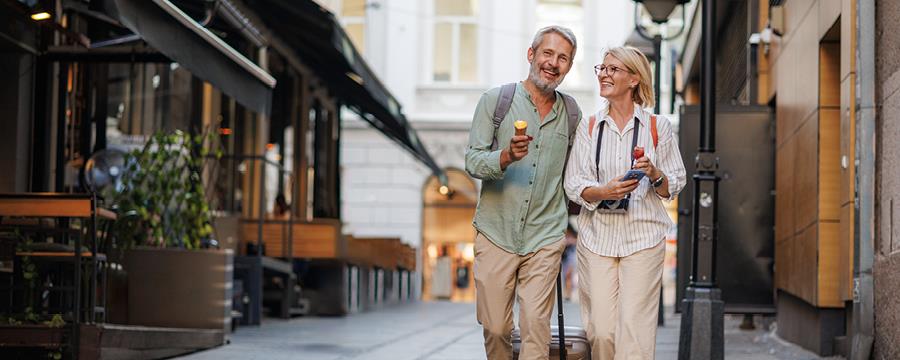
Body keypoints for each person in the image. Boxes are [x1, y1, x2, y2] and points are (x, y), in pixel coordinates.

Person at [465, 25, 580, 360]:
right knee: (497, 327)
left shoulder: (571, 115)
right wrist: (505, 156)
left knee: (535, 326)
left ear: (568, 67)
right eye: (548, 53)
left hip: (545, 235)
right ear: (531, 55)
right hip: (496, 231)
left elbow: (574, 175)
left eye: (563, 58)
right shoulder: (496, 101)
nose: (553, 63)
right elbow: (472, 160)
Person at [564, 46, 687, 359]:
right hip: (597, 239)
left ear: (634, 79)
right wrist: (604, 192)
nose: (604, 75)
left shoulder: (659, 128)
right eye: (601, 68)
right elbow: (574, 184)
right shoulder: (589, 126)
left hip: (644, 237)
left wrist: (654, 173)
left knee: (634, 331)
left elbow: (674, 183)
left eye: (613, 69)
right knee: (602, 331)